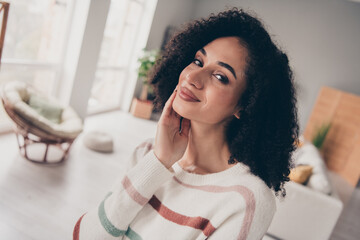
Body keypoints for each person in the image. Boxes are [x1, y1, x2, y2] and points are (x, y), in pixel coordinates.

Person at [73, 8, 299, 240]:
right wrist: (159, 161)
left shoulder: (247, 199)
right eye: (198, 61)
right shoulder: (147, 155)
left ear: (246, 105)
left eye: (220, 76)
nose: (192, 77)